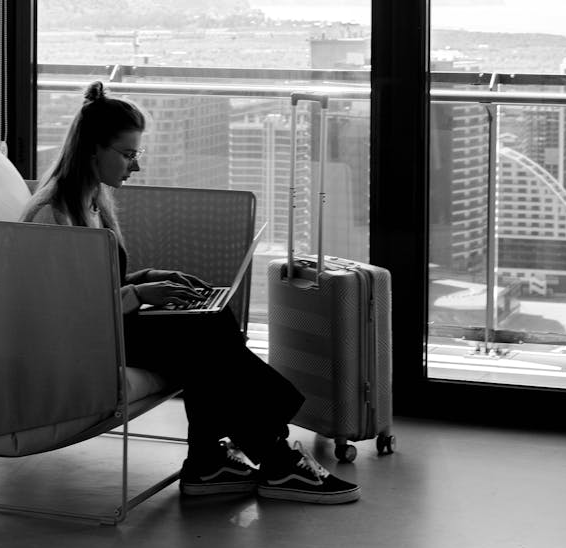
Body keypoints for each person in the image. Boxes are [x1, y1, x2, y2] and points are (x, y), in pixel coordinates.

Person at [22, 81, 360, 505]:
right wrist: (140, 294)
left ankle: (209, 460)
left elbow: (94, 284)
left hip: (106, 325)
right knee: (205, 336)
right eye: (128, 155)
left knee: (209, 321)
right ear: (92, 149)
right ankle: (271, 456)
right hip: (82, 340)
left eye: (136, 155)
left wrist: (150, 278)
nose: (135, 167)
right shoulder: (51, 217)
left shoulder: (91, 200)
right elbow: (64, 313)